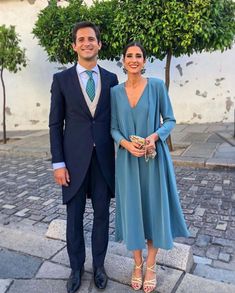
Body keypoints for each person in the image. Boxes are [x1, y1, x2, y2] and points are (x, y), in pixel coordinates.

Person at [111, 42, 189, 293]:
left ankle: (152, 265)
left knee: (154, 209)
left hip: (153, 159)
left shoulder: (156, 86)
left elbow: (170, 120)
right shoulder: (114, 92)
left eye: (139, 56)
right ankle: (137, 264)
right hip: (127, 160)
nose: (134, 59)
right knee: (133, 209)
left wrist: (153, 137)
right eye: (129, 56)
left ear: (144, 61)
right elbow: (112, 127)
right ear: (123, 61)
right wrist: (125, 143)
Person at [49, 21, 118, 293]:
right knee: (74, 218)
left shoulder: (112, 79)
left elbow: (117, 118)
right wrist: (58, 163)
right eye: (82, 39)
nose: (87, 43)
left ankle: (99, 266)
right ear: (74, 46)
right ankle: (76, 268)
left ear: (99, 44)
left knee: (102, 216)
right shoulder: (61, 80)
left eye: (92, 38)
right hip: (73, 163)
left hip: (103, 161)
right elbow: (55, 124)